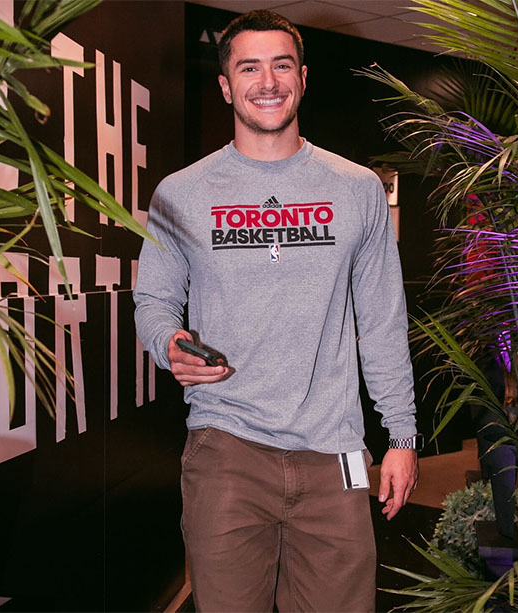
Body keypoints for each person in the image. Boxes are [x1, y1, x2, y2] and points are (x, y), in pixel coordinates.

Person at [133, 9, 419, 612]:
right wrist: (170, 344)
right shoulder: (182, 193)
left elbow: (383, 319)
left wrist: (402, 434)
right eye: (249, 67)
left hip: (335, 450)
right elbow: (154, 299)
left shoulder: (357, 188)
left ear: (304, 77)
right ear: (226, 86)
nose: (268, 81)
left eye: (281, 65)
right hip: (226, 449)